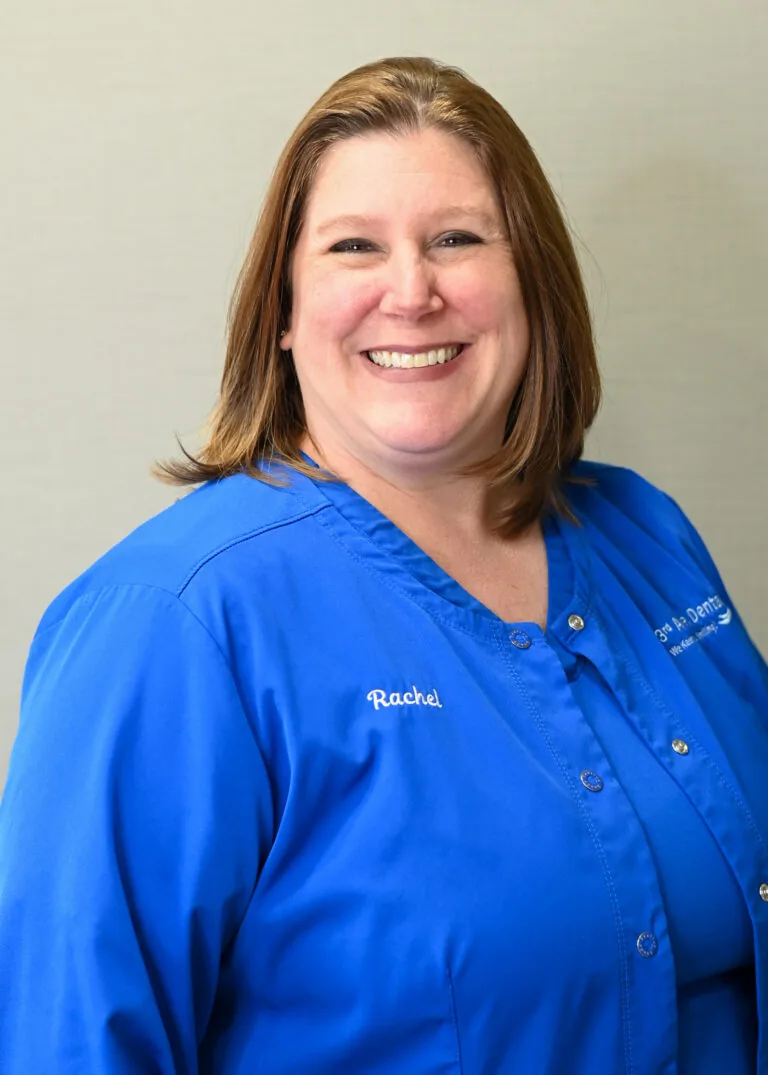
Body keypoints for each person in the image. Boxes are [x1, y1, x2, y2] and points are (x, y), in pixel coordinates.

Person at [0, 55, 766, 1075]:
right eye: (354, 246)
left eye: (457, 239)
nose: (412, 292)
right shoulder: (173, 626)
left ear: (531, 284)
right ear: (281, 310)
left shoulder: (645, 536)